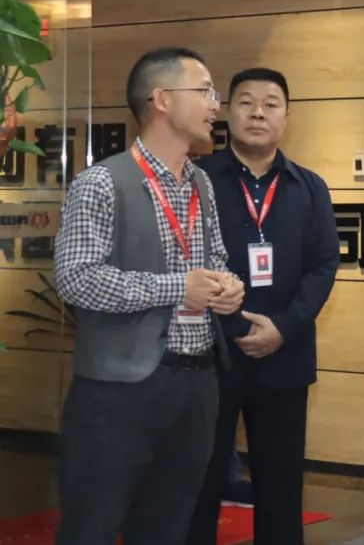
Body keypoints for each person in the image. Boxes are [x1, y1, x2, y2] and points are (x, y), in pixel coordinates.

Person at [54, 47, 244, 545]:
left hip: (196, 384)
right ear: (161, 99)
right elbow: (76, 278)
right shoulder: (101, 183)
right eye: (204, 91)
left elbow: (214, 259)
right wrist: (178, 287)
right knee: (91, 527)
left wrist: (227, 287)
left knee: (167, 528)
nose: (215, 104)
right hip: (119, 390)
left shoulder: (201, 183)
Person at [187, 68, 340, 545]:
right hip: (210, 354)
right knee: (198, 485)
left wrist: (284, 327)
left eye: (271, 104)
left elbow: (324, 264)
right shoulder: (197, 180)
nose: (258, 113)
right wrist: (231, 322)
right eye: (246, 102)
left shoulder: (309, 186)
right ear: (227, 112)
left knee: (281, 488)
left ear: (286, 117)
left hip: (284, 355)